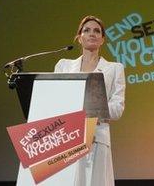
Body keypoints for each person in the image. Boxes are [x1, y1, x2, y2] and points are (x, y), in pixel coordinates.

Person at [54, 15, 125, 186]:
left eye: (97, 31)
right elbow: (55, 102)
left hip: (97, 138)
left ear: (102, 39)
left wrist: (89, 108)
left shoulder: (114, 68)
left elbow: (117, 109)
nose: (92, 34)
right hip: (67, 138)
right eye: (86, 30)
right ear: (79, 38)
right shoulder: (63, 65)